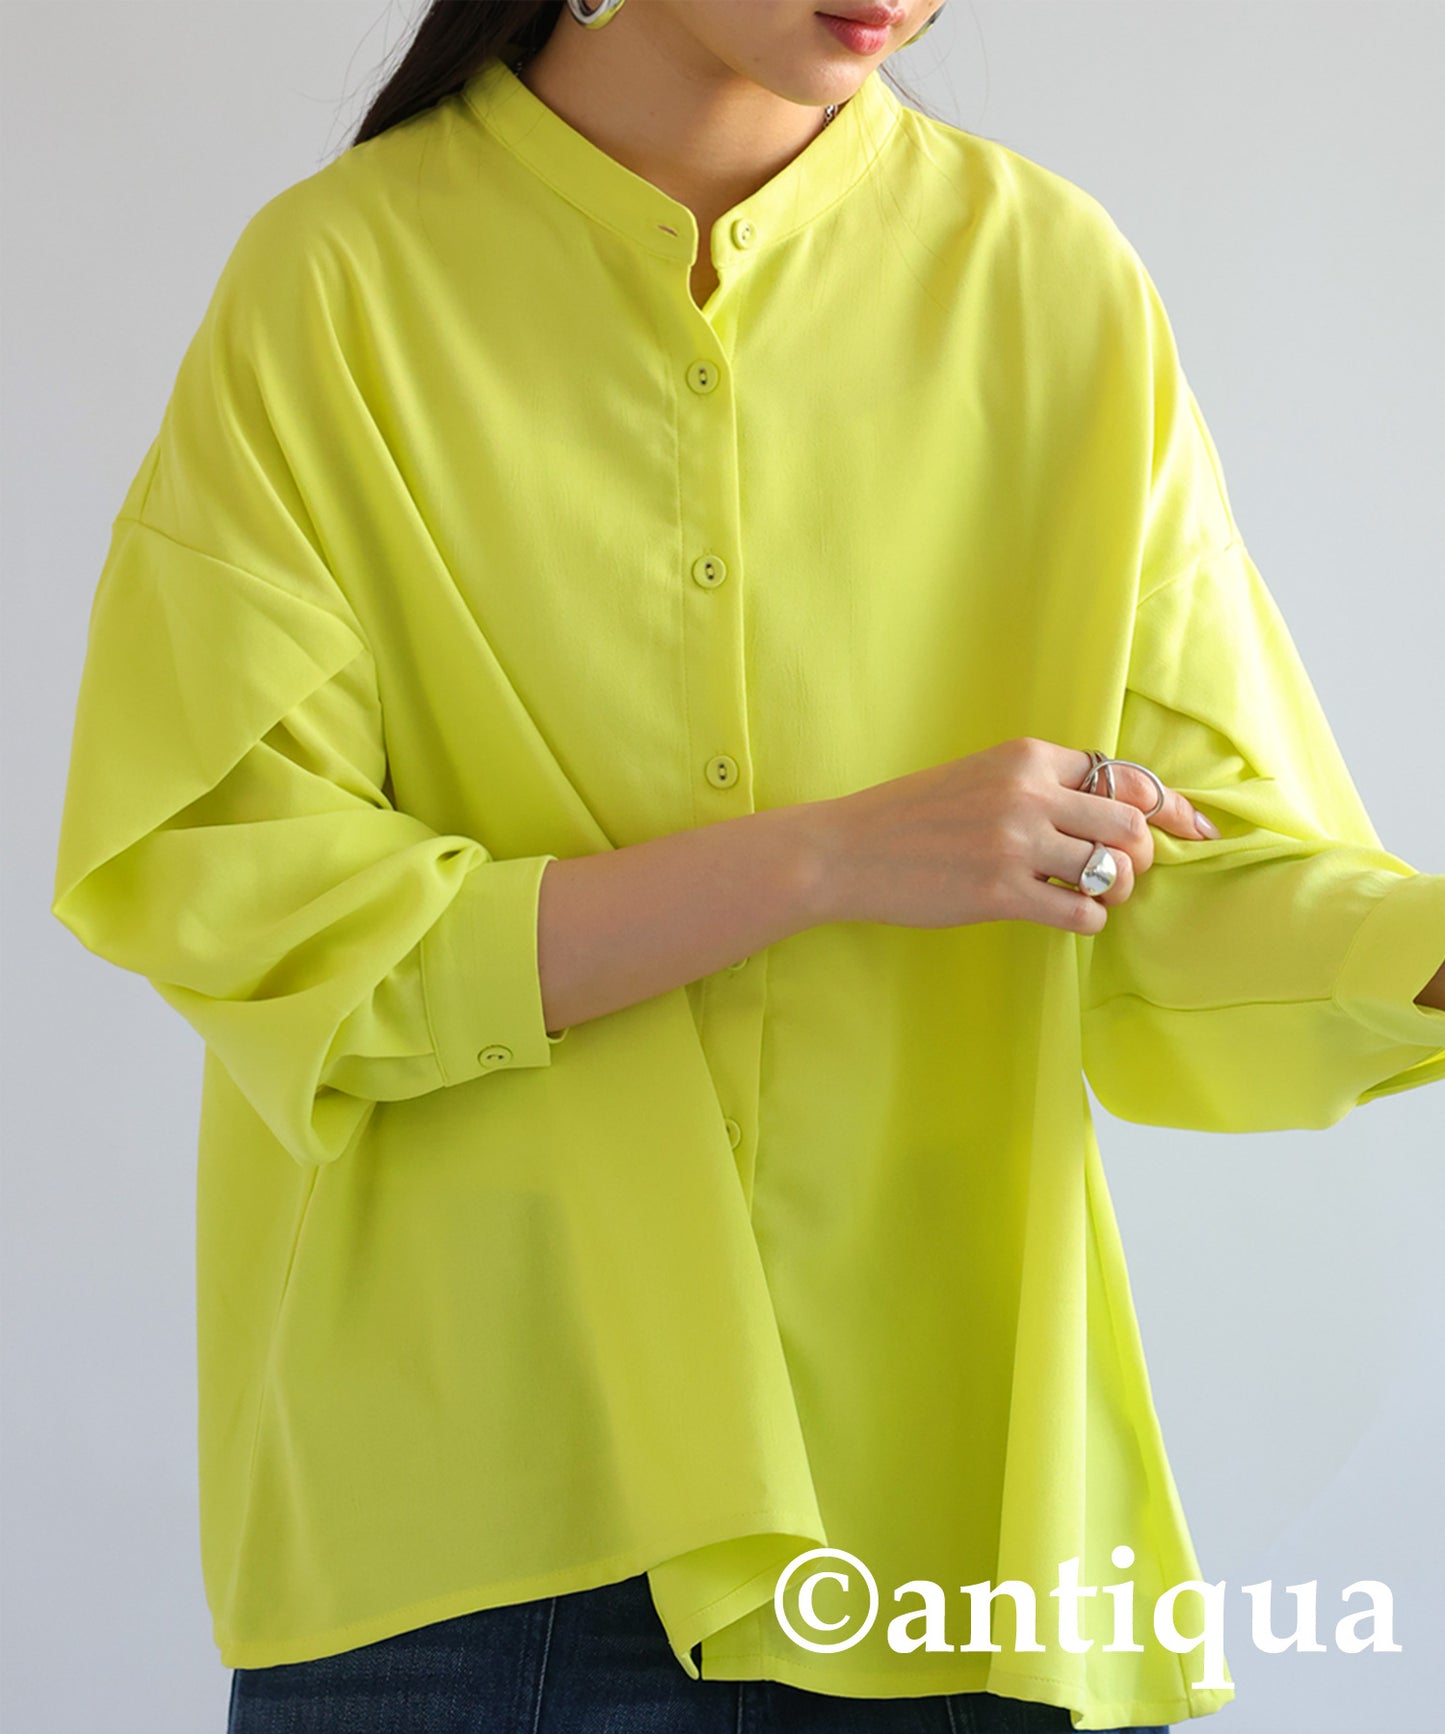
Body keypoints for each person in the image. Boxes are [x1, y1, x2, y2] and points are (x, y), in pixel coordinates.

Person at [51, 1, 1445, 1730]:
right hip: (484, 1513)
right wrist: (825, 859)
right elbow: (252, 898)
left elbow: (1176, 864)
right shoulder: (336, 285)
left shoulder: (1049, 280)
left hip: (941, 1503)